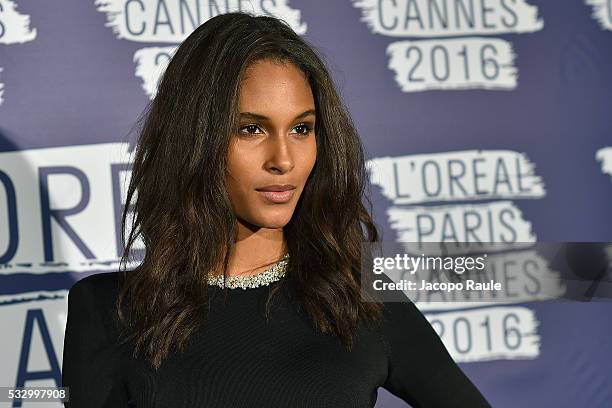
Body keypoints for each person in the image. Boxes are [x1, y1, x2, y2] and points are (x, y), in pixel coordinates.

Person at [61, 11, 491, 408]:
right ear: (194, 141)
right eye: (251, 129)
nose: (283, 159)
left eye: (301, 128)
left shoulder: (357, 293)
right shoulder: (109, 310)